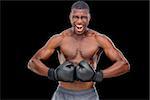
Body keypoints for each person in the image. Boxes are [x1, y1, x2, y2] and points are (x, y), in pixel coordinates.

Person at [27, 1, 130, 100]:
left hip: (88, 94)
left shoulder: (99, 39)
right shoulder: (60, 38)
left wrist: (98, 75)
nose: (79, 21)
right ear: (70, 17)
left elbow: (124, 65)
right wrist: (53, 74)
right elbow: (32, 62)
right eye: (76, 17)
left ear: (89, 18)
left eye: (83, 17)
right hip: (62, 93)